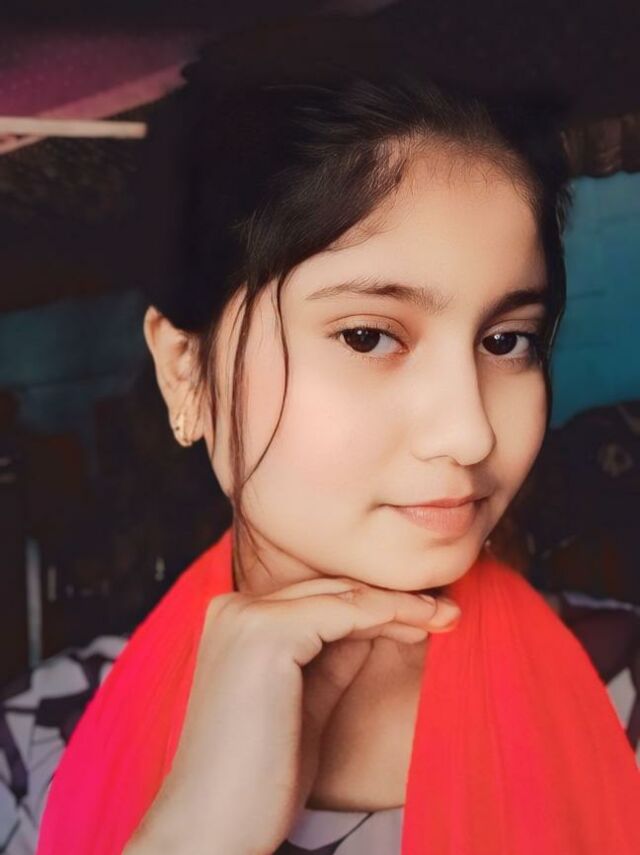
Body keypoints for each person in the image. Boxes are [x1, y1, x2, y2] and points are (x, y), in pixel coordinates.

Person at [35, 9, 640, 855]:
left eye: (508, 341)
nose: (469, 433)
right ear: (184, 370)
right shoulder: (36, 750)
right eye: (367, 335)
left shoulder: (623, 697)